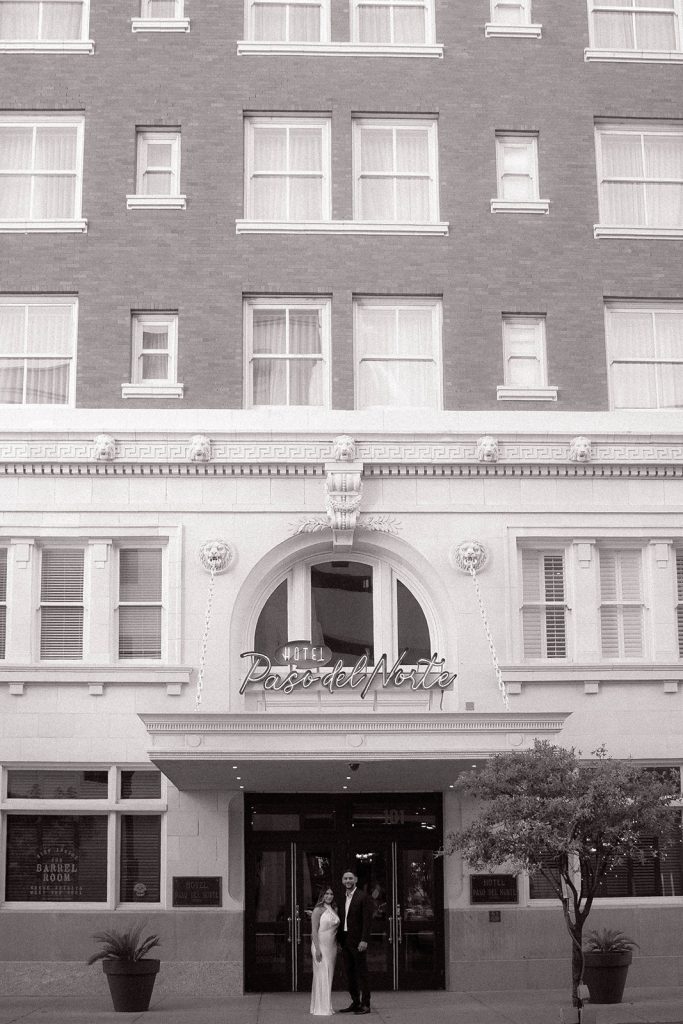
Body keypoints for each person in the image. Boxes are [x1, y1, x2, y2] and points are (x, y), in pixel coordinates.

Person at [337, 869, 374, 1015]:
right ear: (342, 881)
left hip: (358, 941)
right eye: (345, 878)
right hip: (345, 940)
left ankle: (366, 1004)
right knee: (349, 973)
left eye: (350, 878)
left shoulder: (363, 897)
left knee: (362, 973)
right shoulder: (342, 898)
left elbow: (367, 921)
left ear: (356, 880)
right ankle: (355, 1002)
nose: (348, 881)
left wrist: (364, 940)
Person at [310, 886, 339, 1016]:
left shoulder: (334, 909)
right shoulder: (318, 910)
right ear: (322, 895)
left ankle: (327, 1006)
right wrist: (317, 949)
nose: (329, 896)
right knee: (321, 975)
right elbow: (314, 931)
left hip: (332, 947)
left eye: (331, 894)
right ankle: (320, 1008)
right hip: (320, 946)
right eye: (326, 894)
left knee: (329, 976)